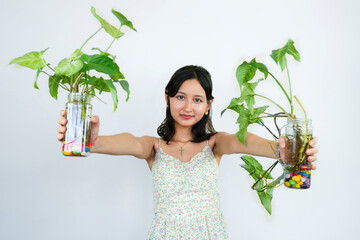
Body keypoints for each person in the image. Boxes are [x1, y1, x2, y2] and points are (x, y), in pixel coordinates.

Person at [57, 65, 318, 239]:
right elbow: (130, 141)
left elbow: (241, 141)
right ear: (168, 97)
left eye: (197, 100)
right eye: (180, 97)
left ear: (208, 105)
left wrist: (280, 151)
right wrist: (92, 141)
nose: (187, 107)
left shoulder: (215, 144)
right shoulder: (154, 147)